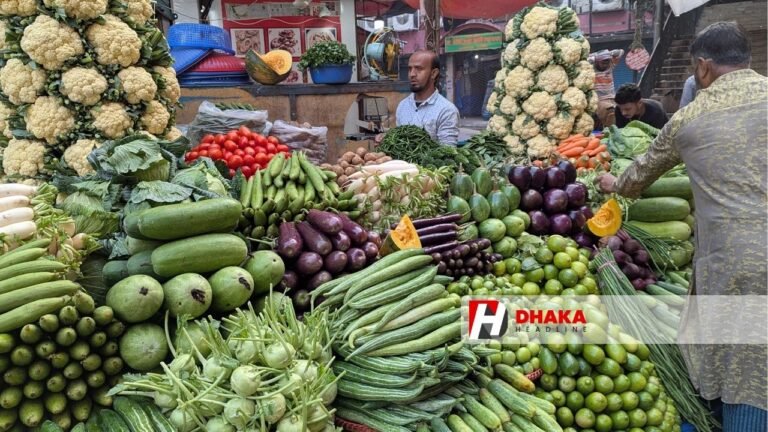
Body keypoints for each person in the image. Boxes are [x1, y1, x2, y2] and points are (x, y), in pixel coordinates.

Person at [596, 21, 767, 431]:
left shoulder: (690, 116)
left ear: (704, 68)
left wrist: (612, 184)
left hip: (733, 260)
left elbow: (639, 175)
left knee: (742, 362)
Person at [394, 50, 459, 145]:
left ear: (434, 73)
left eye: (418, 69)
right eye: (409, 69)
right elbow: (398, 143)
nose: (412, 74)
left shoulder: (447, 110)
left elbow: (447, 153)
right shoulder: (402, 106)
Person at [588, 48, 624, 127]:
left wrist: (607, 53)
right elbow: (586, 59)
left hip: (612, 98)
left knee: (625, 108)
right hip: (599, 100)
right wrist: (596, 56)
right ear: (597, 62)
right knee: (610, 110)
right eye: (603, 63)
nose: (606, 65)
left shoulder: (610, 66)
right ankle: (610, 131)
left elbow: (620, 52)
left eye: (607, 62)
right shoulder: (591, 68)